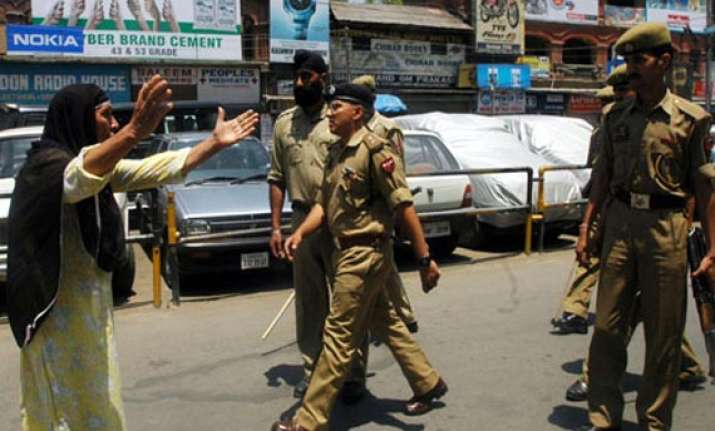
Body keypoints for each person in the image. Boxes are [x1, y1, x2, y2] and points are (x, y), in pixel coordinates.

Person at [7, 77, 258, 430]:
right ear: (78, 117)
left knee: (97, 402)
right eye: (106, 114)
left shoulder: (98, 168)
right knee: (60, 410)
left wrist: (214, 144)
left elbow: (153, 168)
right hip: (54, 320)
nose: (113, 123)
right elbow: (76, 179)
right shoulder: (46, 166)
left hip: (90, 314)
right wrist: (134, 132)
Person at [271, 84, 447, 431]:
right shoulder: (336, 152)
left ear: (358, 112)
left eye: (337, 107)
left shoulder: (376, 150)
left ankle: (308, 421)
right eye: (331, 107)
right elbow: (323, 203)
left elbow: (404, 205)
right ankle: (427, 381)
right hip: (346, 250)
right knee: (384, 321)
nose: (330, 113)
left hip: (365, 253)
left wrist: (425, 260)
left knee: (337, 334)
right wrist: (300, 233)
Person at [575, 22, 715, 431]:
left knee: (663, 335)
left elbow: (705, 189)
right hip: (619, 224)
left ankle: (653, 422)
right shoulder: (615, 115)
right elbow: (602, 176)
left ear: (664, 61)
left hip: (666, 228)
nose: (631, 68)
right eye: (628, 60)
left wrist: (711, 250)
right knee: (606, 330)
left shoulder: (690, 120)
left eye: (640, 60)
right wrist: (586, 228)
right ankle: (603, 420)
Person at [267, 50, 368, 402]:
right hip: (300, 222)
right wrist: (277, 227)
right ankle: (312, 371)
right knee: (310, 303)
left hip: (341, 222)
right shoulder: (284, 124)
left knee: (347, 302)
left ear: (322, 78)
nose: (299, 84)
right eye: (296, 77)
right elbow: (277, 177)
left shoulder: (339, 118)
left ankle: (352, 374)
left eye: (306, 77)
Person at [552, 65, 631, 335]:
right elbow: (598, 169)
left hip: (629, 209)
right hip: (605, 201)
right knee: (589, 255)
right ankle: (575, 309)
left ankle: (685, 363)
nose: (607, 108)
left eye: (613, 101)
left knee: (649, 292)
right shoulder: (604, 128)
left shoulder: (617, 124)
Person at [351, 74, 418, 331]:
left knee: (384, 263)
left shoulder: (386, 129)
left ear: (372, 98)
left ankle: (404, 316)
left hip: (381, 206)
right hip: (357, 206)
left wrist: (397, 211)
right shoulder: (352, 126)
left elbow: (397, 172)